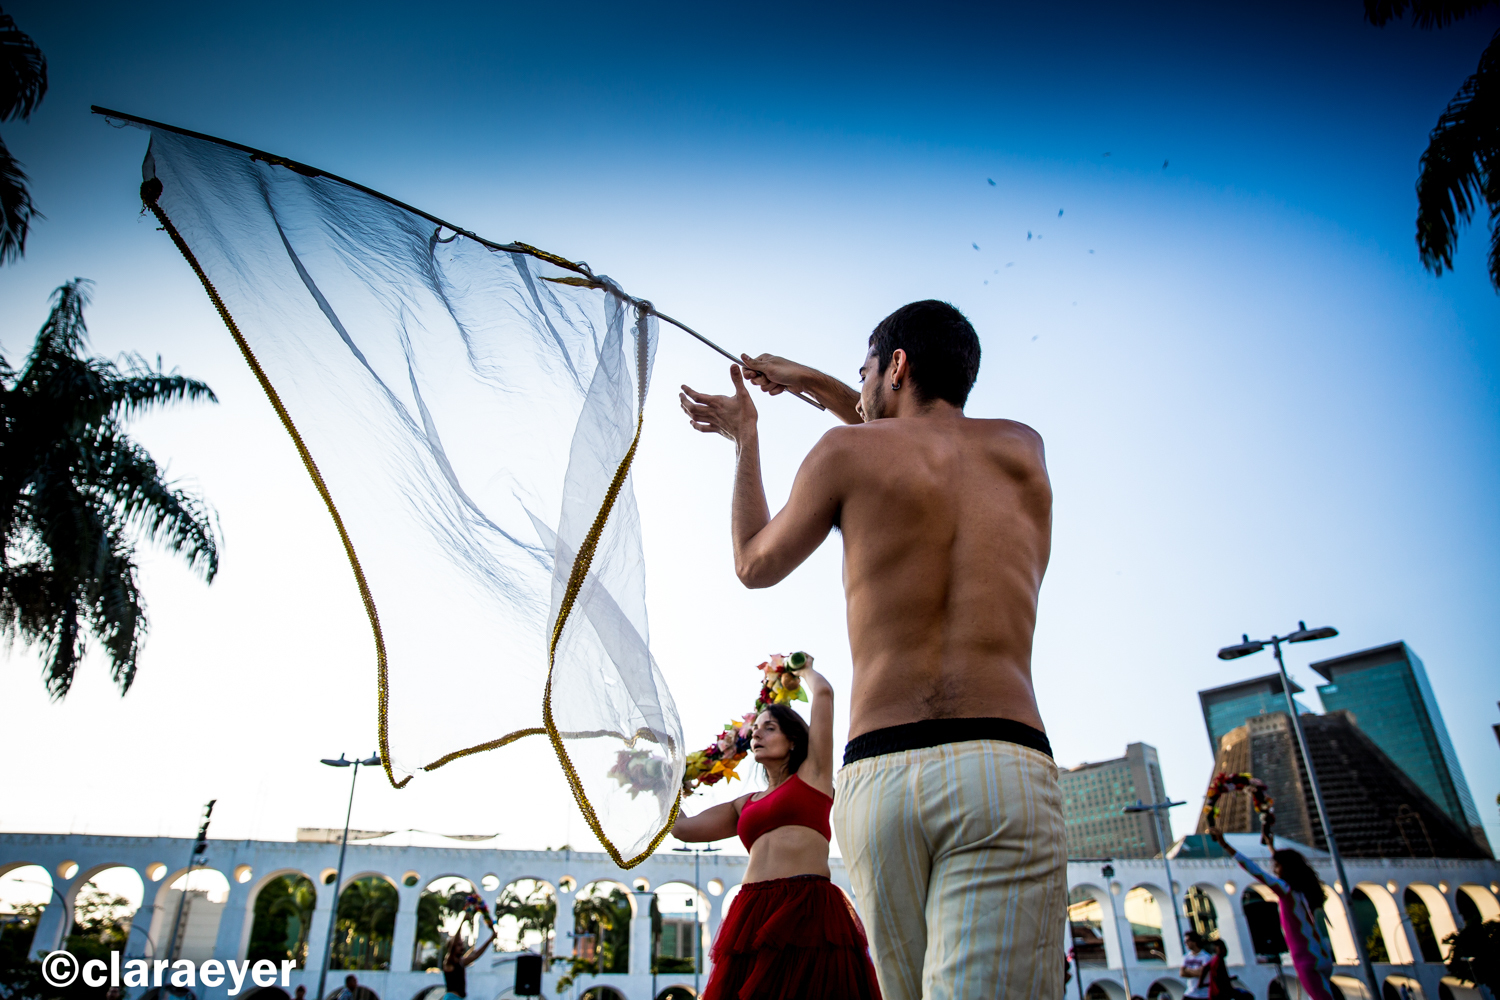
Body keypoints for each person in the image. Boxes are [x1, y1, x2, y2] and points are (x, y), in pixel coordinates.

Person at [679, 300, 1066, 999]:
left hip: (881, 777)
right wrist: (813, 381)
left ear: (896, 366)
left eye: (866, 372)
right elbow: (903, 437)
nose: (856, 392)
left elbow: (753, 564)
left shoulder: (844, 454)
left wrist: (746, 438)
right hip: (1000, 762)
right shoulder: (1021, 450)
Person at [671, 663, 882, 1000]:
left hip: (806, 906)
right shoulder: (744, 803)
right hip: (752, 911)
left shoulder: (814, 774)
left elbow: (824, 695)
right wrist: (661, 782)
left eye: (769, 728)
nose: (757, 734)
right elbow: (682, 828)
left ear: (794, 739)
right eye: (755, 729)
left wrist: (804, 669)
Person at [1212, 832, 1335, 1000]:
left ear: (1286, 868)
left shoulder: (1286, 891)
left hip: (1306, 960)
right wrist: (1271, 847)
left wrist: (1225, 846)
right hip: (1323, 956)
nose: (1274, 871)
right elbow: (1285, 866)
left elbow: (1255, 871)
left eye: (1276, 866)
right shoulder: (1306, 891)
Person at [440, 916, 497, 1000]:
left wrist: (490, 939)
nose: (462, 946)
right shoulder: (449, 961)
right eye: (459, 945)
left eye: (461, 944)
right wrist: (462, 921)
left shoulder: (461, 962)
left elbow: (476, 955)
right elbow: (453, 946)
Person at [1181, 931, 1210, 999]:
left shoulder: (1206, 957)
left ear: (1194, 941)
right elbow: (1182, 973)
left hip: (1204, 994)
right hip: (1190, 993)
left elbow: (1202, 973)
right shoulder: (1186, 957)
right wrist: (1196, 972)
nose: (1186, 943)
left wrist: (1188, 970)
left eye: (1188, 941)